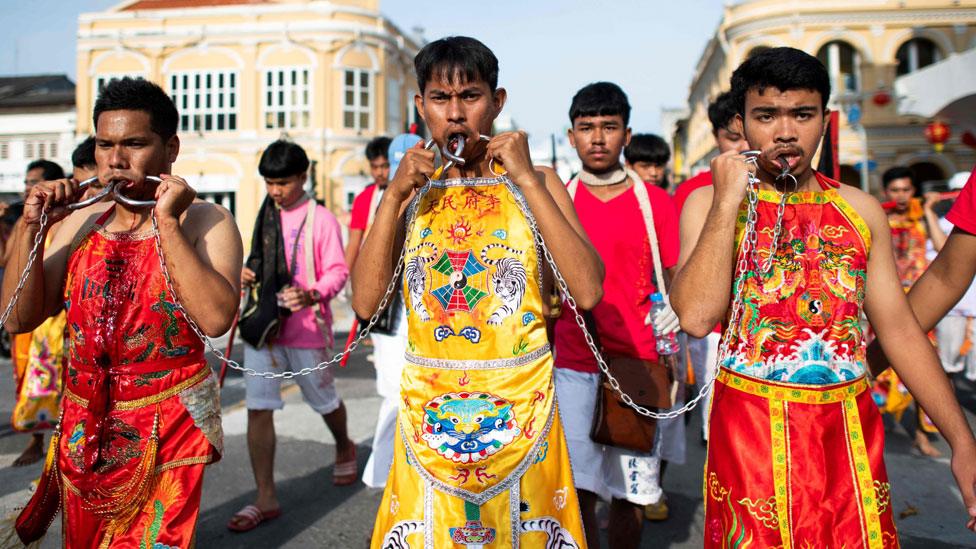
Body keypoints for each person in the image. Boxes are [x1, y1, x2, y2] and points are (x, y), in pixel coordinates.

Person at [672, 47, 976, 546]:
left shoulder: (859, 209)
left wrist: (961, 440)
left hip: (846, 433)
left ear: (826, 121)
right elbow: (698, 317)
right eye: (766, 116)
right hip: (750, 434)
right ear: (742, 123)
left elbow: (899, 329)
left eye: (803, 115)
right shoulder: (707, 203)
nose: (785, 132)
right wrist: (728, 200)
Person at [353, 36, 602, 547]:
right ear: (421, 105)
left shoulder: (540, 182)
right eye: (440, 99)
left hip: (523, 411)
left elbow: (589, 289)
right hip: (431, 417)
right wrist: (394, 196)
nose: (456, 114)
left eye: (470, 96)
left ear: (498, 101)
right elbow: (364, 303)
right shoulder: (407, 190)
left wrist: (529, 181)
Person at [3, 77, 241, 547]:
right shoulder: (80, 223)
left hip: (167, 426)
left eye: (134, 143)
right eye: (105, 144)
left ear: (169, 147)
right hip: (84, 423)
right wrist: (32, 228)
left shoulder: (208, 220)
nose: (116, 160)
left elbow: (216, 319)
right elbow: (17, 319)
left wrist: (166, 222)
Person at [557, 82, 682, 547]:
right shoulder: (556, 201)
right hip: (571, 365)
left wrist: (677, 309)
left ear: (626, 134)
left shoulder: (656, 203)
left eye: (609, 127)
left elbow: (675, 277)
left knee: (632, 493)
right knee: (578, 490)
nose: (597, 138)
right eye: (586, 128)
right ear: (571, 136)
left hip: (638, 364)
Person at [229, 139, 353, 532]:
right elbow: (254, 260)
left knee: (323, 401)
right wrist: (246, 273)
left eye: (282, 183)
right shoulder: (265, 213)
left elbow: (338, 271)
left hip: (304, 330)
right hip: (262, 328)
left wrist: (312, 292)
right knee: (258, 406)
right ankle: (265, 496)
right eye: (269, 183)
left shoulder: (322, 219)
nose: (275, 191)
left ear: (303, 177)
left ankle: (344, 444)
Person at [672, 91, 750, 445]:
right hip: (713, 326)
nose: (741, 146)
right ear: (718, 137)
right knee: (718, 423)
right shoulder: (694, 191)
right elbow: (680, 265)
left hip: (763, 325)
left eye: (747, 135)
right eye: (731, 138)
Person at [357, 133, 422, 489]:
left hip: (429, 320)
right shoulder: (385, 200)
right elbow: (369, 258)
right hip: (393, 320)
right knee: (394, 400)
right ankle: (385, 484)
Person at [874, 166, 948, 456]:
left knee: (925, 368)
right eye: (895, 191)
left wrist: (929, 210)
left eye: (906, 190)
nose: (901, 196)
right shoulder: (877, 218)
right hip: (887, 303)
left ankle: (921, 434)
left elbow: (943, 250)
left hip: (921, 304)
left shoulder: (921, 218)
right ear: (886, 193)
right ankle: (874, 428)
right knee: (880, 368)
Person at [8, 159, 66, 467]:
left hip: (60, 316)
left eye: (34, 182)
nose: (27, 188)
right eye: (26, 182)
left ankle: (59, 446)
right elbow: (8, 261)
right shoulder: (26, 218)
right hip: (30, 314)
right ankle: (36, 439)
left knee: (61, 380)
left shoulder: (67, 218)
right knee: (27, 377)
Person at [345, 136, 391, 268]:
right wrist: (344, 277)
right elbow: (354, 242)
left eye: (384, 166)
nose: (379, 173)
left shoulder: (408, 194)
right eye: (374, 167)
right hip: (369, 266)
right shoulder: (363, 198)